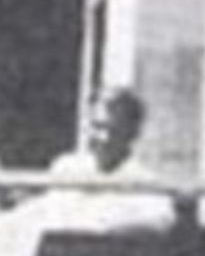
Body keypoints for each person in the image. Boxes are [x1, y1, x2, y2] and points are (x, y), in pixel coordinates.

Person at [42, 86, 168, 230]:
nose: (104, 138)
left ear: (133, 133)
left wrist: (109, 228)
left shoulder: (145, 183)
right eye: (98, 127)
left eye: (115, 130)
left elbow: (160, 222)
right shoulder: (66, 168)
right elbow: (49, 216)